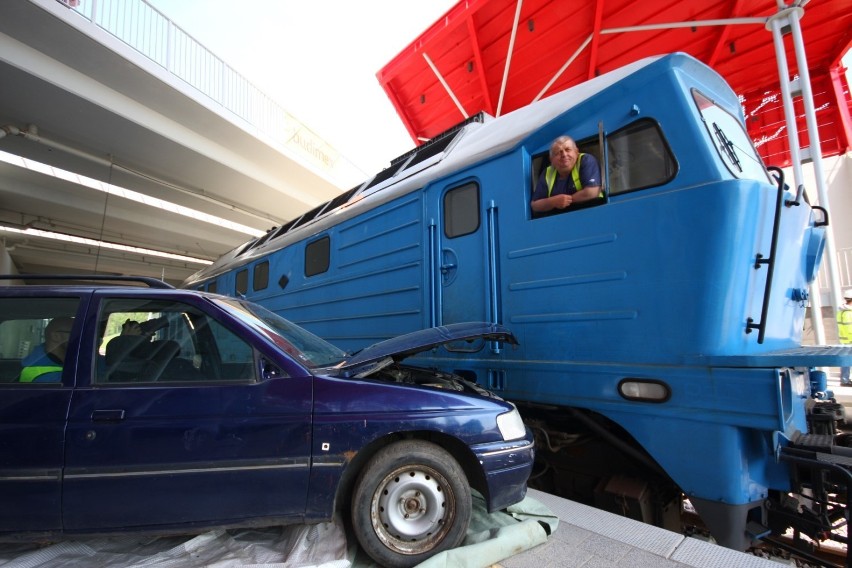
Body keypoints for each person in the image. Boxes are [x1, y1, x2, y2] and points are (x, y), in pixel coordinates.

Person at [531, 135, 602, 217]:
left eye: (568, 150)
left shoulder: (586, 160)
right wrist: (554, 202)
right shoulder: (548, 172)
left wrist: (566, 200)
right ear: (551, 160)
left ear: (576, 152)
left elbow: (592, 192)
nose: (564, 155)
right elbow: (535, 205)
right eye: (558, 152)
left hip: (594, 214)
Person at [19, 316, 74, 383]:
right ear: (55, 336)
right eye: (75, 332)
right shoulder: (48, 377)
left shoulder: (43, 358)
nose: (80, 337)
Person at [838, 289, 852, 386]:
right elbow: (849, 328)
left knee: (846, 361)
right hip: (849, 340)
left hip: (845, 341)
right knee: (847, 361)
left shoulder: (842, 311)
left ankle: (845, 379)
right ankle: (845, 380)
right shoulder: (848, 313)